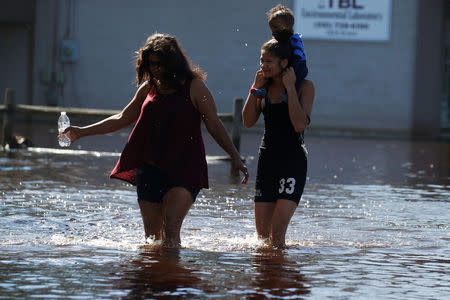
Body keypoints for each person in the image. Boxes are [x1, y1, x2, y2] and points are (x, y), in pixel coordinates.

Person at [61, 33, 248, 248]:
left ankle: (171, 277)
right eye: (150, 64)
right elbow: (122, 118)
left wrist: (236, 157)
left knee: (170, 229)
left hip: (185, 169)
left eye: (159, 64)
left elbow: (214, 125)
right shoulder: (147, 89)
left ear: (173, 62)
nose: (155, 69)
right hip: (150, 170)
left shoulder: (195, 87)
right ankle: (152, 280)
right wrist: (80, 132)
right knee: (152, 239)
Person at [242, 38, 314, 248]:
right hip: (268, 160)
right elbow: (247, 122)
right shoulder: (262, 87)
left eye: (269, 61)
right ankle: (266, 278)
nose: (263, 65)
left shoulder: (305, 87)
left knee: (277, 233)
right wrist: (254, 89)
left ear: (284, 63)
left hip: (292, 160)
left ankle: (280, 276)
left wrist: (290, 89)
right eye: (261, 60)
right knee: (263, 238)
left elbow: (300, 124)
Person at [267, 4, 308, 91]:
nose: (272, 32)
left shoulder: (294, 40)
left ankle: (289, 94)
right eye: (271, 29)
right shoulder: (279, 40)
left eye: (275, 28)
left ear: (287, 26)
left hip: (297, 69)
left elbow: (298, 56)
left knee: (293, 81)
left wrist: (290, 69)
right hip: (285, 68)